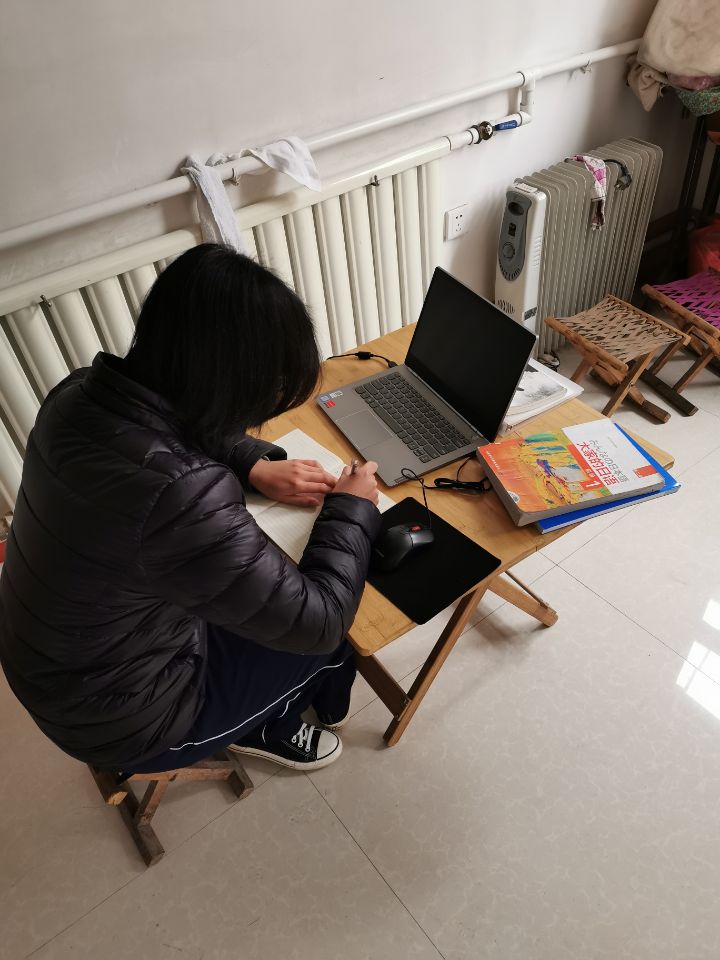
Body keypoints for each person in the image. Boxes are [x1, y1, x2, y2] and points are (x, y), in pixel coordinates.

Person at [0, 243, 382, 774]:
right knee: (337, 643)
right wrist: (351, 508)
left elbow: (165, 428)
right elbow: (320, 622)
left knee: (273, 603)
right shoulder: (181, 494)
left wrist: (252, 464)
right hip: (127, 723)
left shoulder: (78, 394)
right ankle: (273, 724)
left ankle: (274, 706)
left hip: (50, 661)